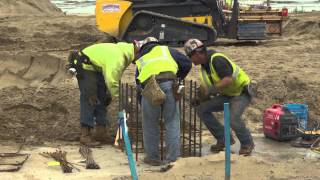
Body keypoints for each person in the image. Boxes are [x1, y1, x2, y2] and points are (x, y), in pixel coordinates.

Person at [184, 39, 255, 156]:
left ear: (197, 54)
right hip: (228, 95)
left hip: (241, 93)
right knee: (202, 109)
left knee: (233, 118)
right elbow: (209, 85)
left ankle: (247, 143)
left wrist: (209, 90)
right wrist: (200, 99)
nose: (191, 61)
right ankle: (224, 139)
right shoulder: (204, 66)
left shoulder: (217, 59)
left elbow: (228, 79)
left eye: (190, 57)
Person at [134, 37, 192, 165]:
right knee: (172, 122)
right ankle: (173, 159)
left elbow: (138, 84)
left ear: (143, 47)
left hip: (150, 87)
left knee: (150, 124)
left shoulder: (141, 59)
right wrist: (178, 78)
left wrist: (142, 103)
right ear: (157, 43)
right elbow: (187, 63)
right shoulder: (167, 50)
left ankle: (152, 158)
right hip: (169, 84)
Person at [67, 42, 137, 146]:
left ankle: (101, 133)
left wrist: (109, 93)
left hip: (96, 68)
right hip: (84, 65)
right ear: (136, 51)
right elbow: (112, 81)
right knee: (91, 98)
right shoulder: (118, 57)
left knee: (103, 98)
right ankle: (85, 135)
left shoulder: (125, 53)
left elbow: (114, 75)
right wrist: (119, 96)